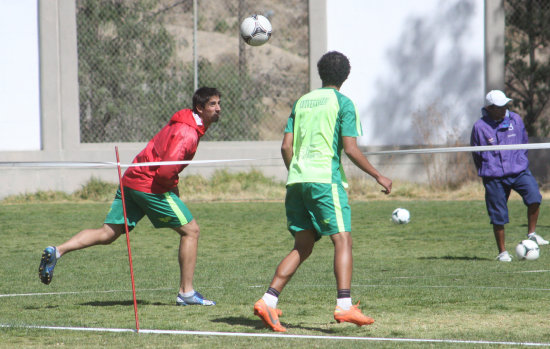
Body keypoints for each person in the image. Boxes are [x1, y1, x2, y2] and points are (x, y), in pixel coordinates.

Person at [38, 87, 221, 306]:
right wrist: (173, 188)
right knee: (191, 231)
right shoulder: (187, 132)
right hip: (149, 185)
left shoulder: (188, 125)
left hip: (132, 179)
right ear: (199, 108)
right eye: (212, 104)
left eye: (219, 104)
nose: (218, 108)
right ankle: (186, 293)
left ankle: (57, 251)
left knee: (107, 233)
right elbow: (165, 171)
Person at [253, 51, 392, 332]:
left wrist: (297, 172)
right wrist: (378, 175)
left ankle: (268, 301)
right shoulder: (343, 103)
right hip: (324, 181)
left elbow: (285, 147)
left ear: (321, 73)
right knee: (342, 240)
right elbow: (350, 148)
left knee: (303, 245)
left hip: (297, 181)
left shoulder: (302, 101)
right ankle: (344, 305)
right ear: (346, 76)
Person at [470, 89, 548, 262]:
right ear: (489, 108)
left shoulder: (515, 119)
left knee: (534, 196)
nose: (504, 109)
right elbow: (477, 153)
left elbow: (524, 141)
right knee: (498, 214)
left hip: (518, 171)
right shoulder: (480, 127)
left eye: (505, 105)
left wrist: (520, 160)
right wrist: (488, 170)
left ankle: (532, 234)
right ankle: (503, 252)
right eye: (499, 107)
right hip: (494, 176)